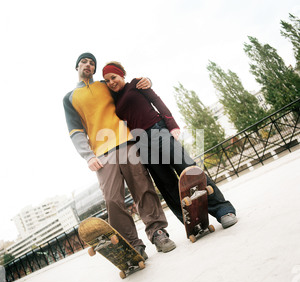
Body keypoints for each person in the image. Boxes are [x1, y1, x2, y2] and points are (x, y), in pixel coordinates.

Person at [63, 53, 176, 259]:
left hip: (127, 142)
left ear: (95, 69)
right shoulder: (69, 98)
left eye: (92, 63)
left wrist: (147, 81)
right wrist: (88, 156)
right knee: (112, 199)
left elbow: (127, 89)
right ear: (77, 66)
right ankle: (132, 245)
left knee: (143, 188)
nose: (88, 65)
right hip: (101, 153)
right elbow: (75, 130)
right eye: (84, 62)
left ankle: (158, 232)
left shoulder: (105, 86)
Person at [102, 61, 237, 229]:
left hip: (158, 130)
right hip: (141, 143)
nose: (111, 82)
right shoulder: (114, 99)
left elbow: (156, 101)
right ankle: (191, 222)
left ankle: (223, 210)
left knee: (189, 169)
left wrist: (172, 124)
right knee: (167, 185)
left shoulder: (137, 83)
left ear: (122, 74)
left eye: (113, 77)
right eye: (107, 80)